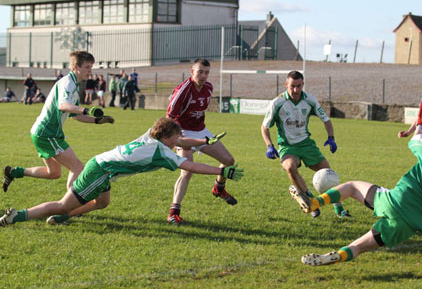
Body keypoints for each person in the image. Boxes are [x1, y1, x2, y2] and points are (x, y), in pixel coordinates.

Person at [0, 117, 243, 227]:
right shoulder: (162, 152)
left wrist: (204, 142)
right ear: (166, 137)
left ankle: (65, 218)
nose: (178, 141)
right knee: (63, 204)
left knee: (102, 203)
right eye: (176, 138)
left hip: (103, 167)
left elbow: (184, 142)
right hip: (100, 170)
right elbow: (190, 165)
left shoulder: (151, 135)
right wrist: (221, 172)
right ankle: (17, 216)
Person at [296, 114, 422, 266]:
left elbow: (415, 140)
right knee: (358, 247)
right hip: (412, 224)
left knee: (352, 186)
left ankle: (315, 202)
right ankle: (340, 255)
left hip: (396, 202)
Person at [2, 51, 115, 194]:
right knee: (77, 167)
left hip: (43, 133)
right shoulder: (68, 83)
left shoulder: (73, 84)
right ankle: (68, 205)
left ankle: (14, 172)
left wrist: (97, 121)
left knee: (54, 173)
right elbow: (63, 105)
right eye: (87, 67)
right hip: (47, 133)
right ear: (75, 67)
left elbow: (75, 115)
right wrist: (86, 110)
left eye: (91, 67)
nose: (90, 71)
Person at [261, 70, 351, 218]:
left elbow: (326, 120)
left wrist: (331, 137)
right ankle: (309, 199)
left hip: (306, 145)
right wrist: (269, 145)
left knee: (328, 174)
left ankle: (340, 210)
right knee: (290, 167)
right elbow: (264, 127)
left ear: (303, 84)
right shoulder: (277, 103)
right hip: (287, 146)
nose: (295, 90)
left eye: (298, 86)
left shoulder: (310, 100)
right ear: (286, 85)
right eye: (292, 86)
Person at [166, 58, 237, 225]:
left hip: (202, 131)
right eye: (200, 72)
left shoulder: (209, 88)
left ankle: (218, 189)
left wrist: (201, 136)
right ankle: (173, 213)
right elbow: (169, 117)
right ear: (192, 72)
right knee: (187, 172)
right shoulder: (183, 91)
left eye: (206, 72)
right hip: (182, 132)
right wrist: (178, 139)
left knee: (228, 161)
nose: (203, 76)